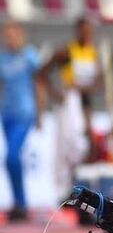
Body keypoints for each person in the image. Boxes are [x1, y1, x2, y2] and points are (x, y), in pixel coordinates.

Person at [36, 17, 102, 201]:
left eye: (89, 32)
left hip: (85, 104)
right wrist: (55, 93)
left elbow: (99, 84)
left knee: (88, 146)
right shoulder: (66, 51)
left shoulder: (92, 53)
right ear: (77, 31)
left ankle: (80, 191)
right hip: (69, 104)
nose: (87, 35)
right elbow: (41, 73)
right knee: (67, 147)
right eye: (84, 31)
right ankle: (64, 191)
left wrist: (85, 88)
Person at [0, 20, 44, 221]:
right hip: (6, 113)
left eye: (12, 35)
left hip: (24, 112)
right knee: (10, 161)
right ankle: (18, 203)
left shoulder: (30, 56)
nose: (10, 39)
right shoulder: (3, 59)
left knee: (12, 156)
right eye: (6, 36)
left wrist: (40, 112)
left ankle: (22, 203)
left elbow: (38, 84)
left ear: (20, 35)